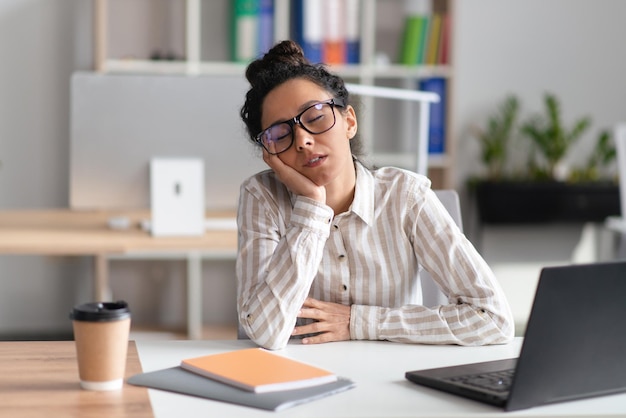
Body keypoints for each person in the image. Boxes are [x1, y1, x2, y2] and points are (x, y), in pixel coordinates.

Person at [236, 40, 514, 350]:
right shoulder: (261, 196)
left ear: (349, 121)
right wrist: (312, 207)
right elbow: (262, 331)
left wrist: (359, 322)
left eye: (314, 118)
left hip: (395, 380)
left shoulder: (405, 196)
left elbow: (493, 318)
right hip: (303, 380)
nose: (302, 141)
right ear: (270, 154)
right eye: (280, 135)